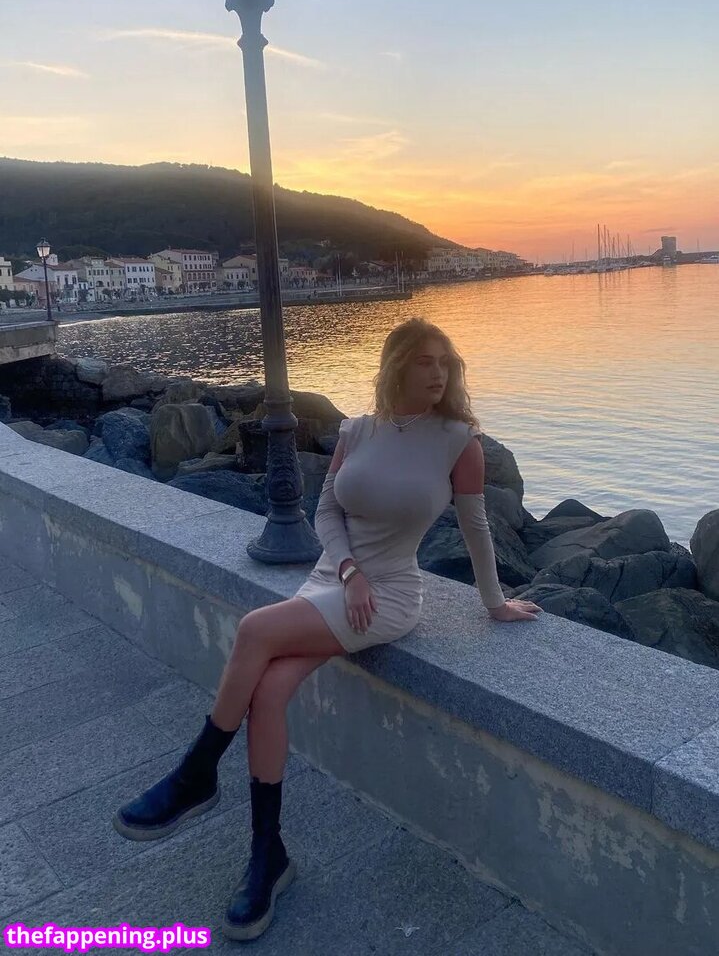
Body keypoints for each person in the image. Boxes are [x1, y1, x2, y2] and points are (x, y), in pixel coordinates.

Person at [112, 316, 542, 942]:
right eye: (425, 361)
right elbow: (327, 510)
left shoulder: (458, 441)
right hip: (333, 582)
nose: (439, 372)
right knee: (268, 691)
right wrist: (346, 571)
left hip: (389, 596)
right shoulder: (357, 429)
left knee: (255, 630)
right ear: (397, 365)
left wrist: (495, 603)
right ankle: (268, 857)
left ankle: (195, 775)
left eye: (445, 362)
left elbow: (477, 529)